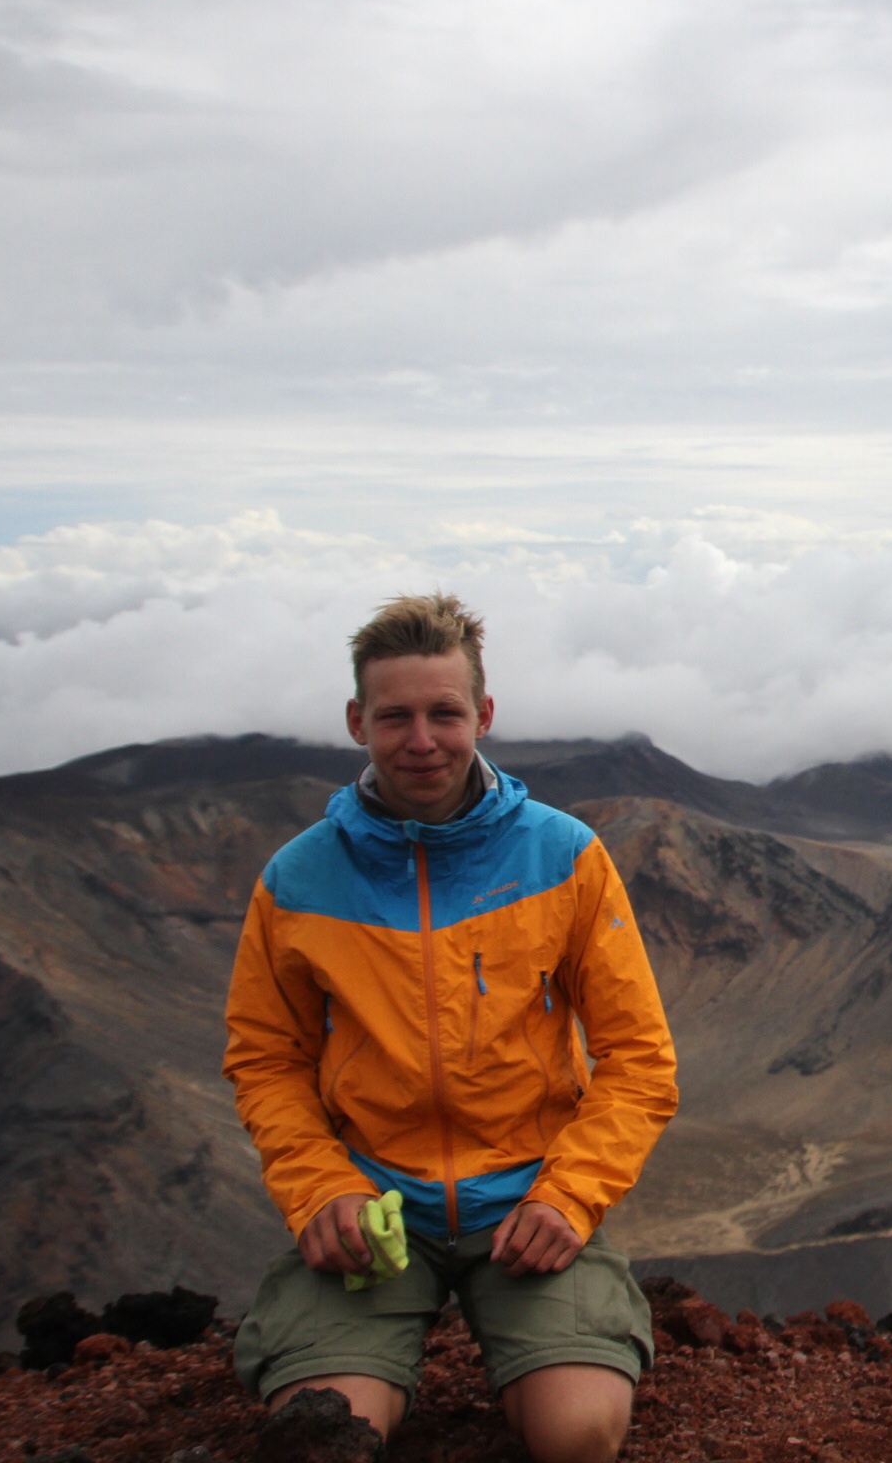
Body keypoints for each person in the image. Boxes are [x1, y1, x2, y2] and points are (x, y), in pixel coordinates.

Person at [223, 593, 679, 1463]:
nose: (421, 740)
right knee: (331, 1434)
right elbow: (267, 1059)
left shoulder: (565, 857)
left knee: (578, 1436)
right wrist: (322, 1190)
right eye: (395, 716)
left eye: (445, 713)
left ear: (485, 715)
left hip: (527, 1200)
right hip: (374, 1211)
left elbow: (638, 1059)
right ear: (358, 720)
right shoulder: (297, 879)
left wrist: (569, 1196)